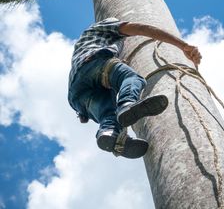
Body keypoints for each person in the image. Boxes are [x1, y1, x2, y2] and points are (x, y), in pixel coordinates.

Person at [68, 18, 201, 159]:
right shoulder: (104, 26)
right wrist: (184, 46)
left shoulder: (83, 44)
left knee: (109, 116)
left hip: (77, 95)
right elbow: (141, 29)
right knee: (132, 79)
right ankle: (127, 104)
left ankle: (113, 137)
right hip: (94, 63)